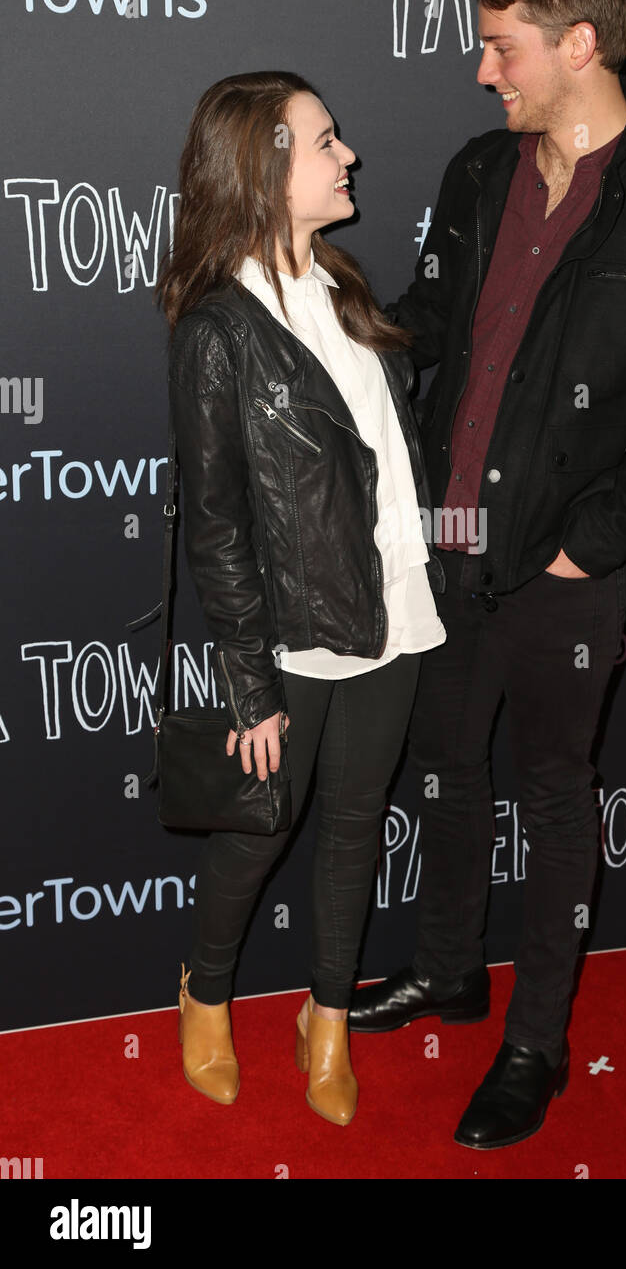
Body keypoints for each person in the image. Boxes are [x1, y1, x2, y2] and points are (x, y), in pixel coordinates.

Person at [348, 0, 626, 1149]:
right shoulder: (480, 171)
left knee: (553, 793)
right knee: (447, 768)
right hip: (449, 534)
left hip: (563, 570)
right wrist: (326, 314)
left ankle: (534, 1043)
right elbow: (436, 310)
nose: (482, 71)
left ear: (579, 43)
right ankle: (447, 967)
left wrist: (591, 540)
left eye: (501, 48)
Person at [156, 71, 446, 1124]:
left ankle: (326, 1018)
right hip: (292, 631)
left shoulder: (342, 285)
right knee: (262, 827)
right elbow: (220, 521)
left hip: (395, 604)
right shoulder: (217, 328)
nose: (348, 154)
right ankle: (206, 991)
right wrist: (248, 683)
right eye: (327, 139)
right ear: (269, 163)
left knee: (358, 822)